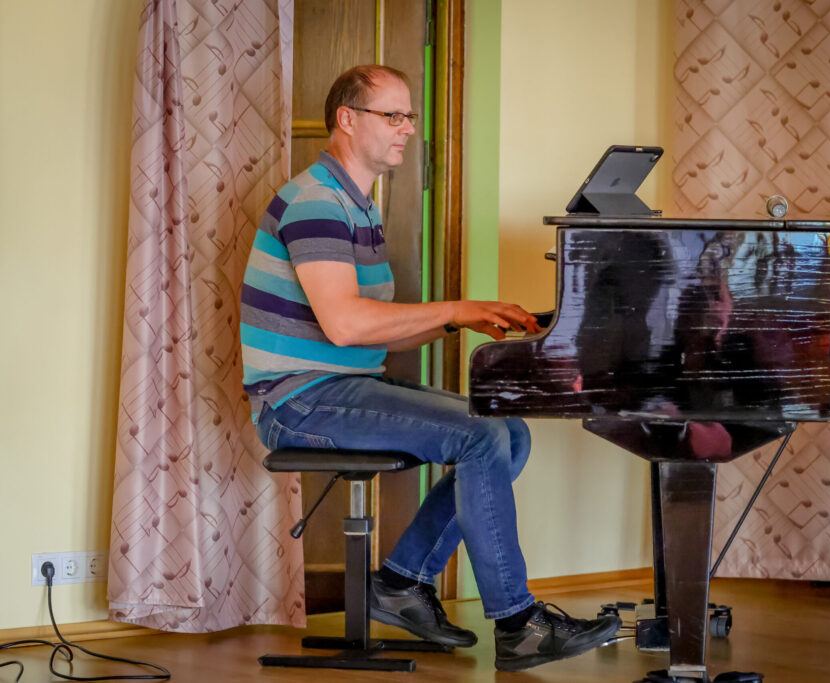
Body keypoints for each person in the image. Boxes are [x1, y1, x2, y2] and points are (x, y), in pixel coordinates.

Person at [240, 64, 620, 672]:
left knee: (509, 431)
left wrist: (465, 320)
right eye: (392, 115)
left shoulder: (357, 205)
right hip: (298, 402)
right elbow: (347, 325)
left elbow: (375, 329)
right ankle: (518, 625)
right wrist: (456, 308)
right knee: (481, 436)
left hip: (340, 387)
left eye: (409, 116)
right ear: (346, 119)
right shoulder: (316, 202)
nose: (407, 128)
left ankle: (400, 583)